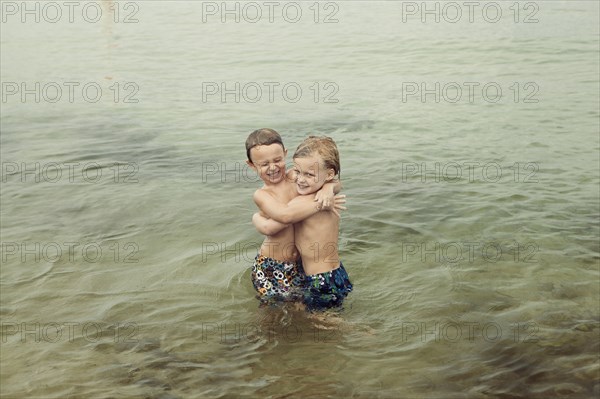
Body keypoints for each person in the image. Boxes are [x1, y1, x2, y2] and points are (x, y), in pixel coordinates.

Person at [245, 128, 345, 305]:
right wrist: (256, 219)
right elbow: (284, 217)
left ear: (285, 155)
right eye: (264, 164)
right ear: (252, 165)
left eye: (277, 160)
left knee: (300, 311)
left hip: (299, 266)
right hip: (272, 265)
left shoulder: (296, 177)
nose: (273, 167)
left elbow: (332, 180)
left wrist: (328, 190)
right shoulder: (262, 195)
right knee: (273, 314)